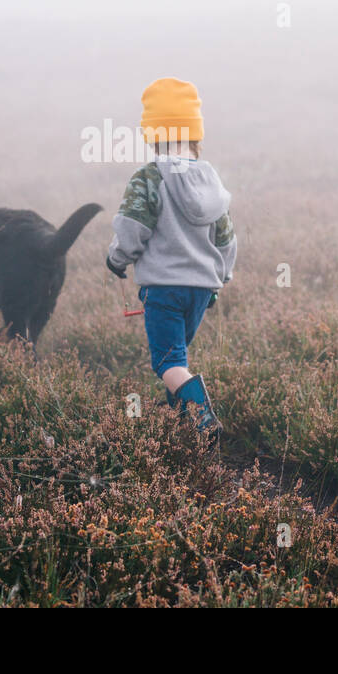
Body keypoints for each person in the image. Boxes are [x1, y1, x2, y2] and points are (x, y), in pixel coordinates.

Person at [105, 77, 237, 437]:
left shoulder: (149, 178)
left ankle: (202, 421)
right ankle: (179, 427)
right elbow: (225, 238)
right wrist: (220, 278)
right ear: (196, 133)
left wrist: (117, 258)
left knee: (167, 361)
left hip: (163, 289)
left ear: (152, 134)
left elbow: (132, 228)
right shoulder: (211, 181)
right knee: (178, 359)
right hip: (201, 291)